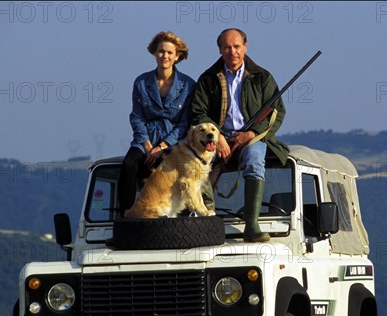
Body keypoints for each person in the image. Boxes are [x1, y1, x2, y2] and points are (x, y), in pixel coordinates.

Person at [191, 28, 289, 242]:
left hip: (252, 137)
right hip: (216, 137)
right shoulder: (208, 79)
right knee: (195, 166)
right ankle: (202, 222)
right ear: (219, 49)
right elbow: (198, 112)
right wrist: (218, 139)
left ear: (245, 47)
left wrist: (252, 133)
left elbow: (277, 112)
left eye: (236, 46)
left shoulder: (262, 77)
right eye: (226, 47)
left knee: (254, 160)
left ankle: (251, 226)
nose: (232, 51)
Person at [118, 31, 196, 216]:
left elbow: (184, 122)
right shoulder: (141, 82)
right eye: (161, 51)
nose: (165, 56)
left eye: (170, 53)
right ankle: (126, 218)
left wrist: (161, 146)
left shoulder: (188, 85)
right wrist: (147, 145)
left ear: (177, 56)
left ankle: (178, 221)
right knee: (129, 165)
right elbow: (136, 116)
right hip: (145, 139)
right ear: (154, 52)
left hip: (172, 140)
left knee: (169, 172)